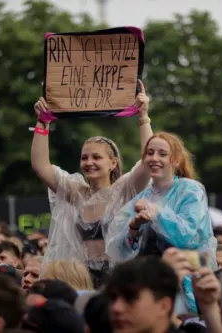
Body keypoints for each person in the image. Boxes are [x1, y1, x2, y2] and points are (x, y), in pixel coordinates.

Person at [31, 81, 153, 287]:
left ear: (113, 163)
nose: (89, 163)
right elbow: (40, 166)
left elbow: (149, 162)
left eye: (96, 157)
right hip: (82, 279)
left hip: (119, 279)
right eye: (85, 157)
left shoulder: (123, 190)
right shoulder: (75, 192)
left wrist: (143, 117)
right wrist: (42, 123)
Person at [106, 131, 217, 312]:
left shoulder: (190, 190)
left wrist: (156, 213)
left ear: (175, 160)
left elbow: (189, 237)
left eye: (162, 154)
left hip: (187, 293)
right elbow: (116, 251)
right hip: (149, 289)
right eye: (150, 153)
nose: (154, 158)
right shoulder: (141, 199)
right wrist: (134, 227)